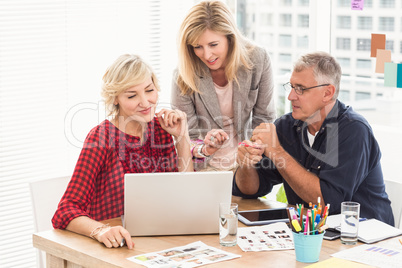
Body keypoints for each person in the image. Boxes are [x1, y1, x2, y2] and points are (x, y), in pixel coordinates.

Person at [233, 51, 394, 225]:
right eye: (291, 87)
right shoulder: (286, 126)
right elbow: (250, 190)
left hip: (364, 237)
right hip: (312, 231)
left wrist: (278, 152)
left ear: (327, 93)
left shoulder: (354, 130)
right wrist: (246, 164)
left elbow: (327, 203)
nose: (291, 96)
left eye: (301, 89)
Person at [52, 54, 193, 248]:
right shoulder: (101, 138)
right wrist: (101, 230)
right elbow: (65, 210)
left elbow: (185, 194)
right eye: (132, 95)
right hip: (114, 247)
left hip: (154, 242)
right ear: (115, 99)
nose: (145, 102)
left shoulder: (161, 130)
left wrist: (182, 137)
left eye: (149, 90)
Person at [171, 0, 276, 171]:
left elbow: (264, 119)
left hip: (247, 165)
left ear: (230, 37)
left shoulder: (258, 59)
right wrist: (204, 148)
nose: (207, 55)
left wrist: (250, 151)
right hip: (204, 167)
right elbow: (186, 136)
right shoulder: (183, 75)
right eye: (198, 47)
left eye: (213, 45)